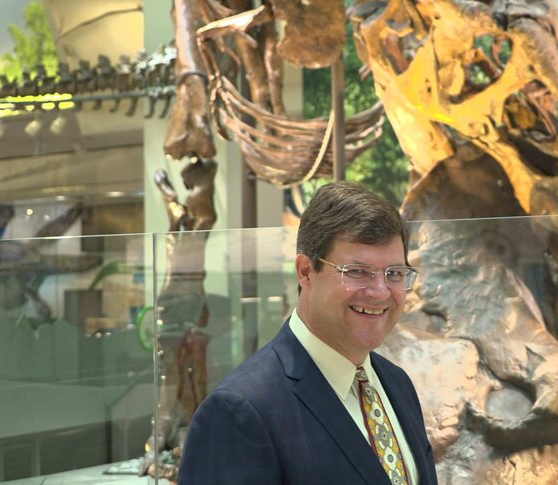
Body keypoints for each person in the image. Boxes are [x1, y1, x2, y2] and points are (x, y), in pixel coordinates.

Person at [179, 181, 437, 484]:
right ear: (305, 272)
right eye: (356, 271)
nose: (380, 293)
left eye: (394, 274)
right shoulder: (240, 411)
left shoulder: (397, 384)